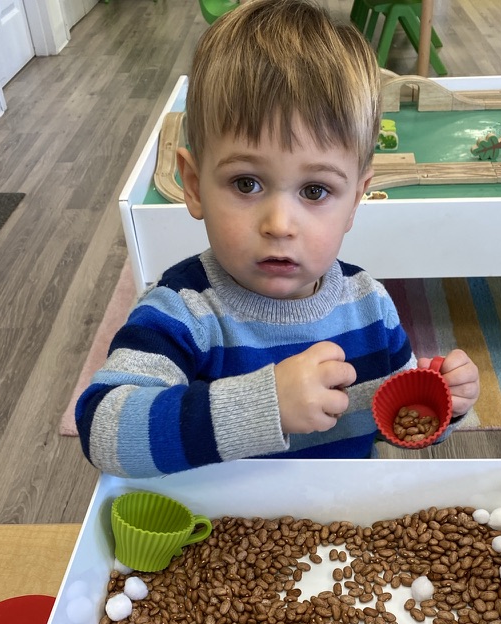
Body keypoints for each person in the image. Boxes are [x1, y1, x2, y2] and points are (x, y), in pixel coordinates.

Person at [75, 0, 479, 477]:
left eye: (315, 190)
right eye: (246, 183)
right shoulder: (184, 311)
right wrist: (262, 406)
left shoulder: (368, 305)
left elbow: (399, 419)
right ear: (194, 185)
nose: (280, 224)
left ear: (355, 201)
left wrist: (444, 402)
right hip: (219, 522)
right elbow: (103, 430)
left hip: (343, 514)